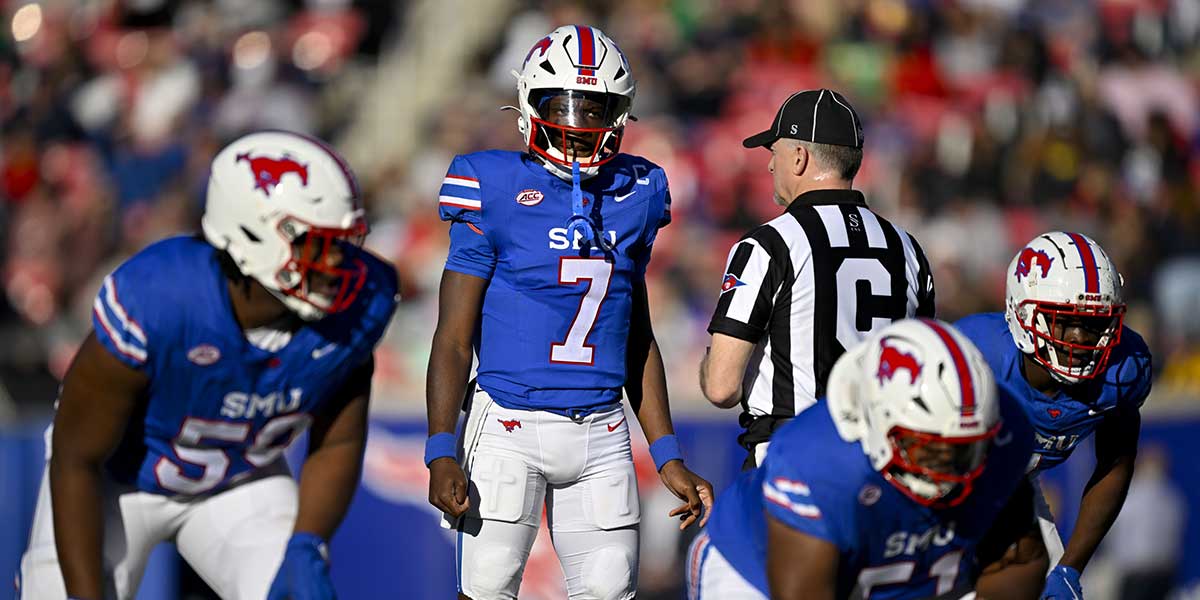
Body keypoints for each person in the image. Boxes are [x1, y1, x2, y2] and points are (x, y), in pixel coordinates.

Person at [16, 131, 399, 600]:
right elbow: (77, 458)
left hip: (238, 482)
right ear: (251, 235)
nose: (338, 259)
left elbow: (338, 436)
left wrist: (306, 543)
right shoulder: (161, 299)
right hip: (117, 483)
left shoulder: (359, 304)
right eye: (317, 242)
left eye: (342, 242)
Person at [424, 25, 714, 600]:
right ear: (531, 102)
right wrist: (439, 447)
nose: (579, 123)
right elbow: (453, 336)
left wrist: (667, 452)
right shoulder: (492, 183)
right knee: (486, 590)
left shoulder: (641, 190)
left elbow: (637, 335)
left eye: (596, 107)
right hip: (507, 419)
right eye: (565, 106)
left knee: (610, 592)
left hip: (604, 428)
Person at [688, 319, 1048, 600]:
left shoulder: (1007, 432)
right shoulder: (817, 462)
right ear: (879, 422)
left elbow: (1019, 562)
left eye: (964, 448)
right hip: (755, 572)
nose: (949, 467)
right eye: (928, 448)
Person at [700, 88, 936, 469]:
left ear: (799, 157)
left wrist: (711, 362)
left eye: (773, 153)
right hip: (883, 465)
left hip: (791, 461)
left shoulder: (770, 244)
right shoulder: (908, 248)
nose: (769, 167)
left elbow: (721, 387)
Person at [956, 231, 1153, 600]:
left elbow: (1116, 462)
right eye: (1065, 321)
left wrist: (1069, 568)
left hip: (1012, 486)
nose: (1080, 338)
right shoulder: (972, 357)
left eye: (1094, 323)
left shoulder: (1122, 371)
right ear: (1024, 313)